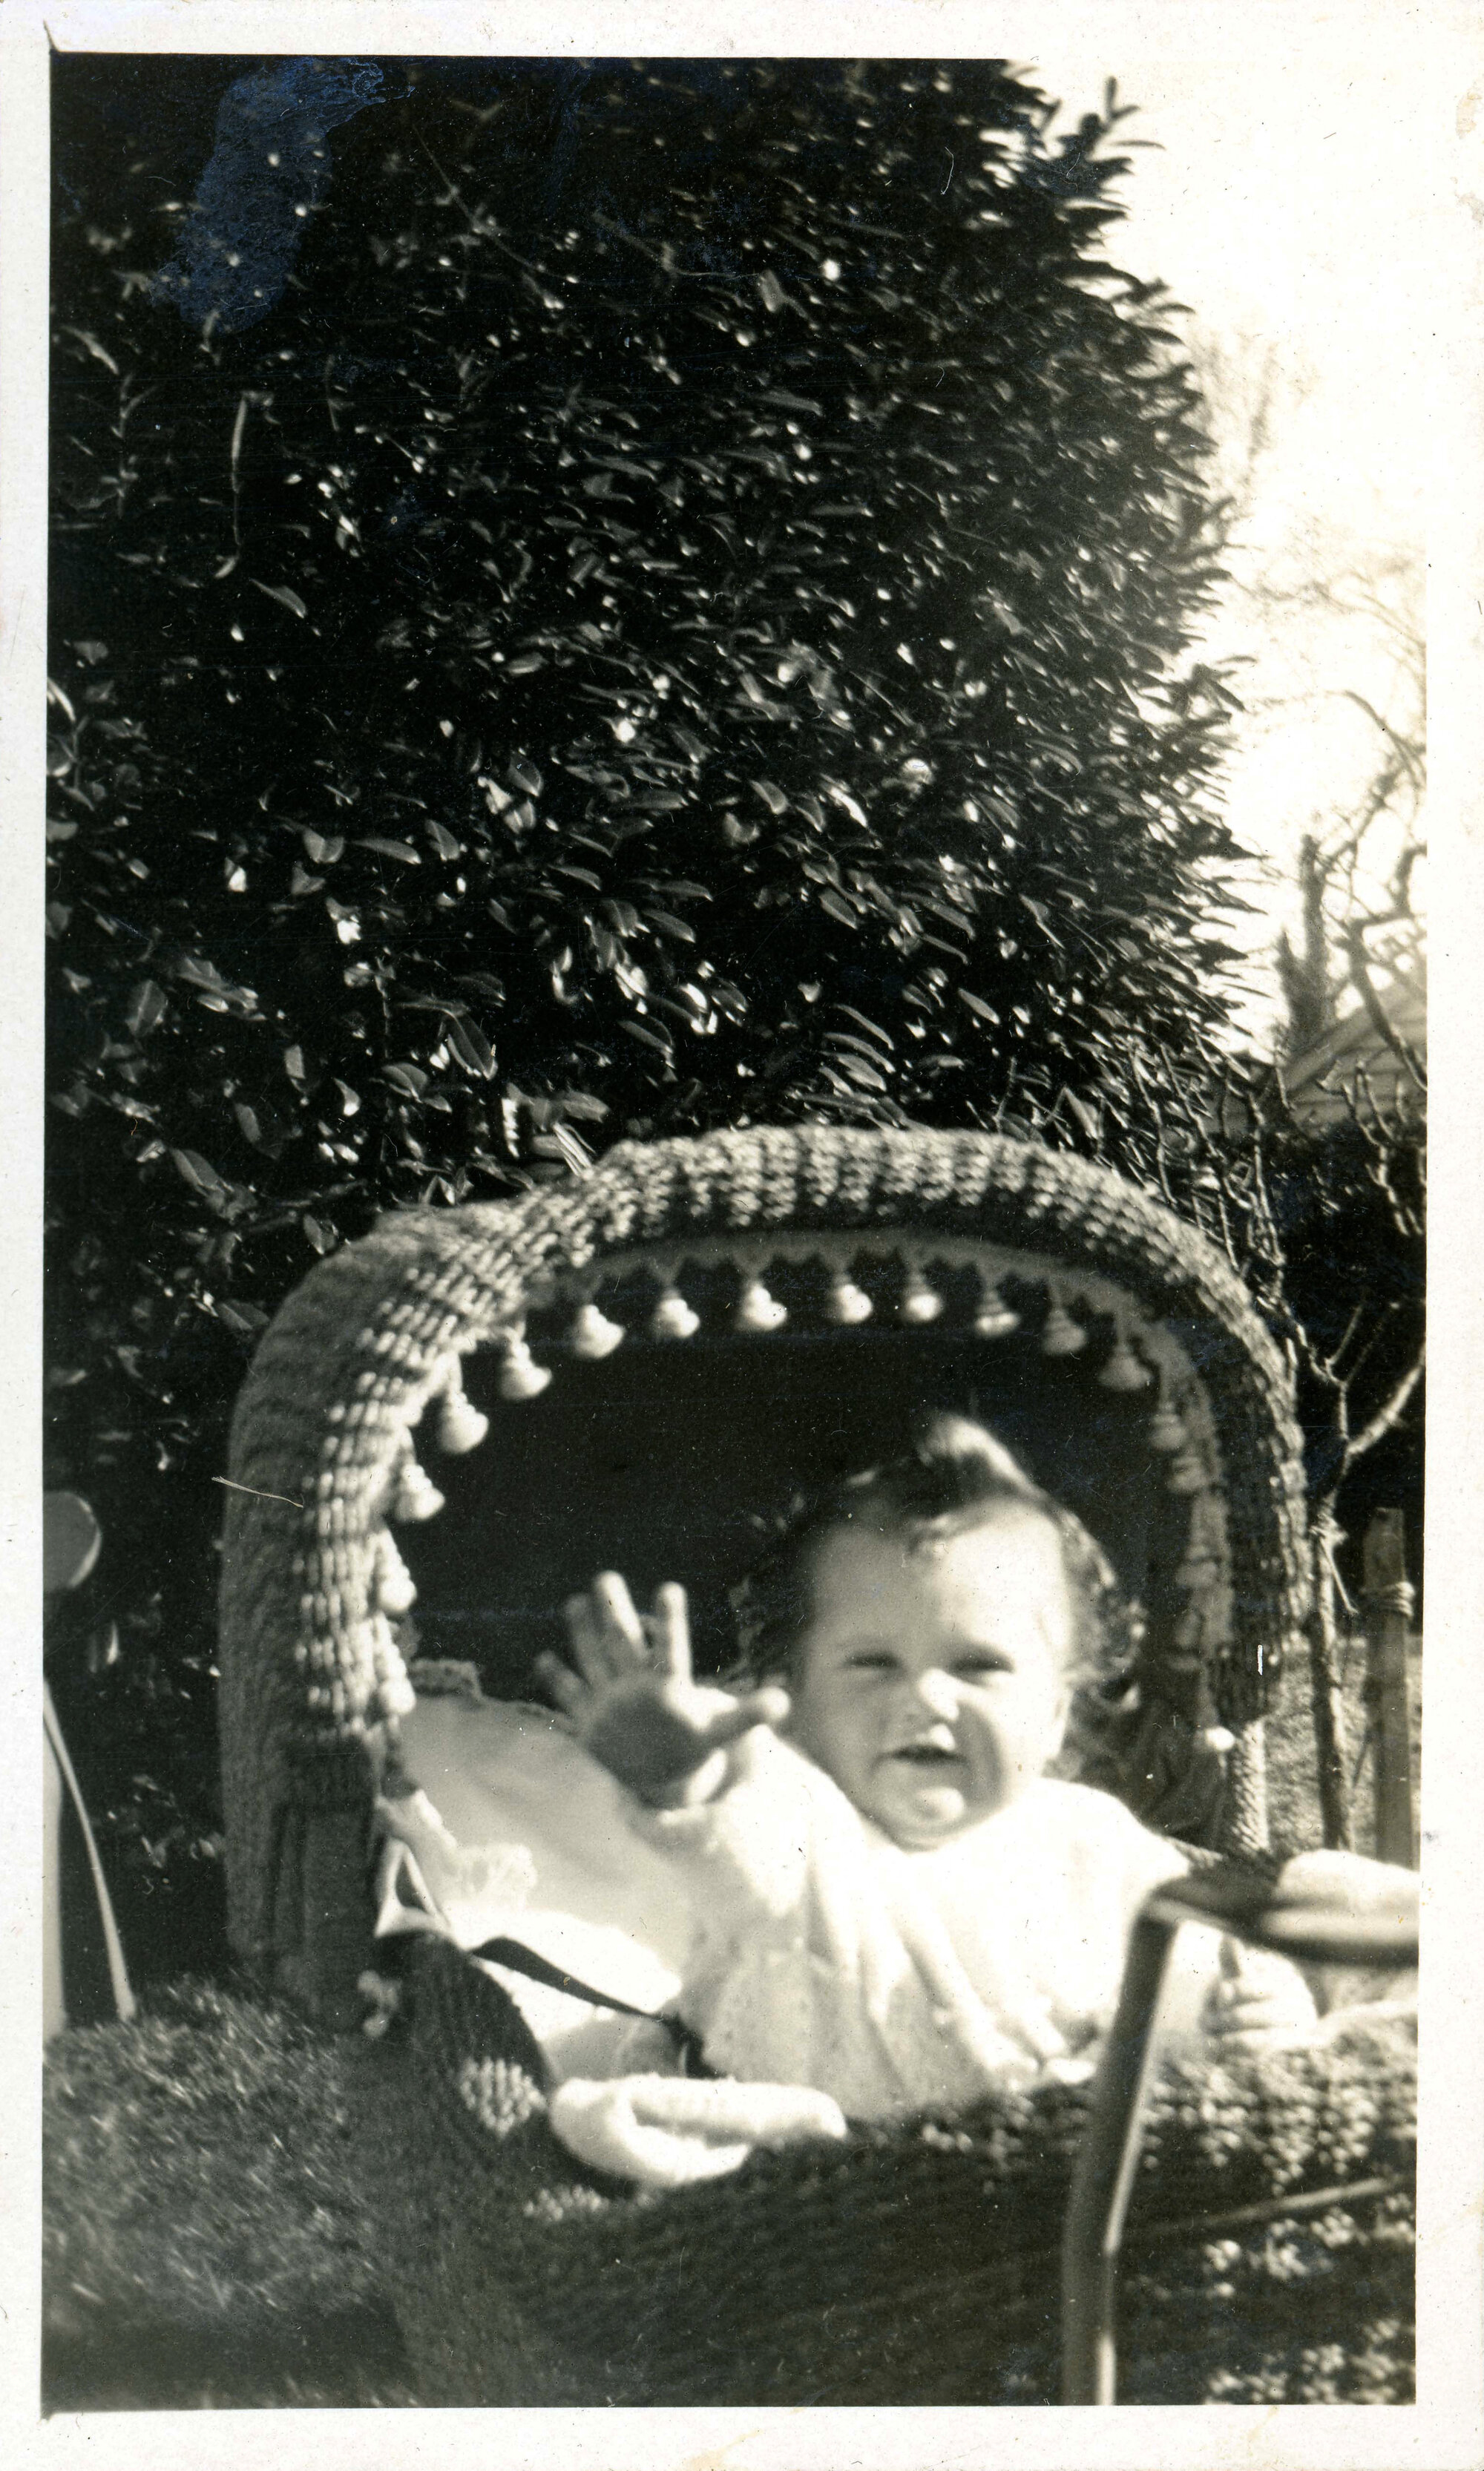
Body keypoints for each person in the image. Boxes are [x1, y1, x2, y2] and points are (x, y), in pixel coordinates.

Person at [536, 1414, 1316, 2122]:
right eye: (871, 1664)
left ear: (1054, 1716)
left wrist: (1252, 2009)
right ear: (794, 1703)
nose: (924, 1697)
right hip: (806, 2191)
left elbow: (1182, 1974)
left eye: (977, 1666)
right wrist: (683, 1779)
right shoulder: (805, 1823)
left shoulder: (1091, 1842)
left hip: (1042, 2179)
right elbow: (737, 1840)